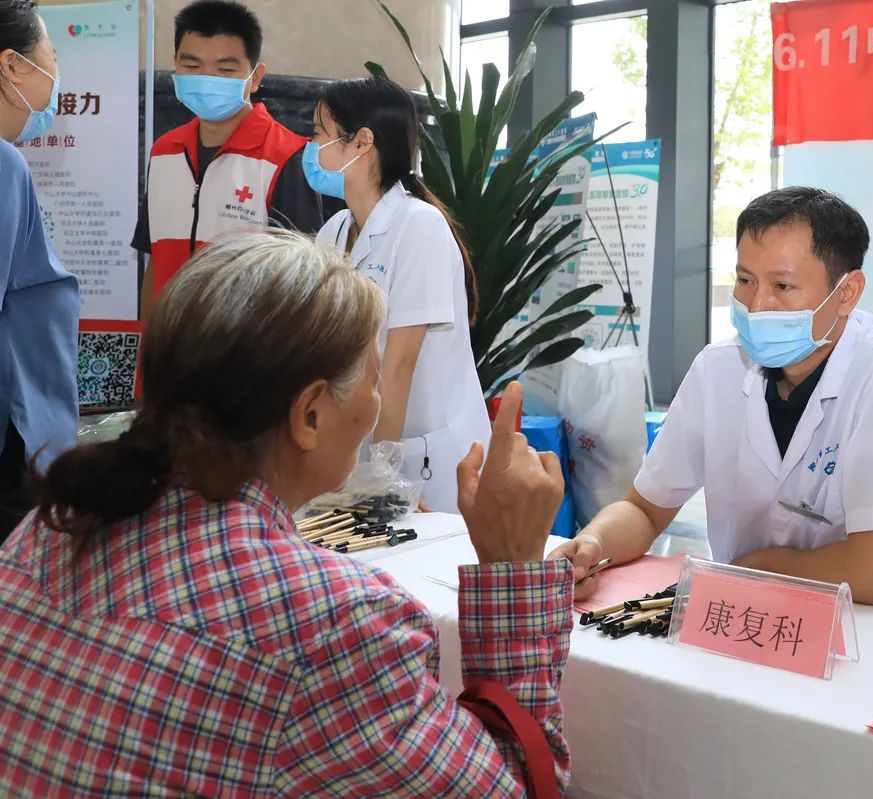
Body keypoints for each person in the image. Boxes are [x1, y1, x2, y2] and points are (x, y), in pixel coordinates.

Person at [0, 231, 573, 796]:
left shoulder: (47, 532)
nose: (375, 405)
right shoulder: (338, 626)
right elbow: (516, 789)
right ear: (311, 415)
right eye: (372, 381)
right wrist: (512, 568)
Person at [552, 187, 873, 611]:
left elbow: (870, 575)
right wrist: (593, 544)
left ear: (847, 292)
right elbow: (646, 509)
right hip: (746, 617)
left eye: (783, 285)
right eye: (744, 280)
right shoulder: (717, 368)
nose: (757, 305)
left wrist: (745, 570)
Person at [310, 76, 490, 513]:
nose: (310, 148)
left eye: (318, 134)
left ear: (361, 142)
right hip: (364, 447)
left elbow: (399, 365)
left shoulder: (420, 225)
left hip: (425, 459)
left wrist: (380, 475)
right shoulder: (334, 230)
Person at [132, 0, 329, 319]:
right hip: (170, 344)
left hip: (244, 346)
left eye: (225, 70)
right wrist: (149, 342)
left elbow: (302, 279)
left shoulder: (286, 156)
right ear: (175, 66)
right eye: (192, 66)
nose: (207, 79)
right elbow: (156, 260)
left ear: (255, 76)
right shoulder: (164, 151)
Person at [0, 0, 78, 543]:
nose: (56, 68)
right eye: (51, 53)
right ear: (11, 65)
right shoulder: (4, 165)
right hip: (15, 438)